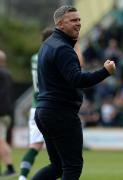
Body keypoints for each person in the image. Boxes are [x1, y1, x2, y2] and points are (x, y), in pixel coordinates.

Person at [32, 5, 116, 180]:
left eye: (79, 20)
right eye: (73, 20)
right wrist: (105, 72)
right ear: (60, 24)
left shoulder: (48, 45)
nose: (78, 24)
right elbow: (77, 80)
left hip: (44, 111)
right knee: (72, 166)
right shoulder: (63, 48)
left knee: (57, 167)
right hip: (60, 113)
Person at [18, 28, 53, 180]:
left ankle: (22, 177)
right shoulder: (51, 55)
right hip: (49, 104)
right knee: (64, 149)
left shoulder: (34, 57)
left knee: (34, 146)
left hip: (35, 104)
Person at [0, 50, 16, 177]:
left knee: (0, 141)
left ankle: (10, 168)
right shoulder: (8, 74)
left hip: (1, 112)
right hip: (8, 112)